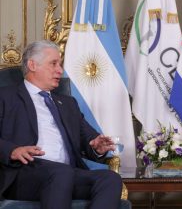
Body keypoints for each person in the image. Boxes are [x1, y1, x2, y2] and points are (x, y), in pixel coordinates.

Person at [0, 40, 123, 209]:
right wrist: (13, 151)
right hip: (25, 175)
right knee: (61, 173)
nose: (60, 70)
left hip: (67, 174)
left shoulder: (68, 103)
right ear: (32, 65)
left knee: (110, 179)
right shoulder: (6, 96)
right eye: (53, 64)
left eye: (60, 64)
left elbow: (88, 138)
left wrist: (97, 147)